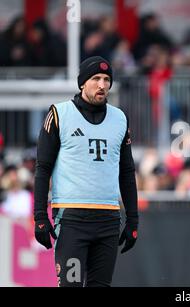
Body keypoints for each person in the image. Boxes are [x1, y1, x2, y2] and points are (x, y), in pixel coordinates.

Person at [33, 56, 138, 287]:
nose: (102, 85)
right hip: (72, 222)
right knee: (71, 285)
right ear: (82, 83)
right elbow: (42, 169)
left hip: (108, 220)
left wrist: (133, 220)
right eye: (96, 79)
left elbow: (127, 172)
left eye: (107, 79)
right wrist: (40, 216)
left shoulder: (120, 118)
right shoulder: (59, 114)